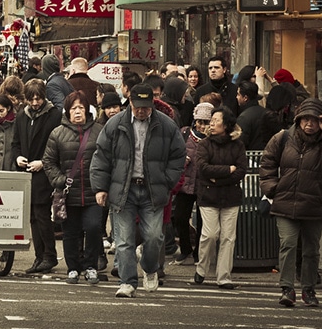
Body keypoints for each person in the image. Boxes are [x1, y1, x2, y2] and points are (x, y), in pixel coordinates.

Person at [90, 84, 186, 298]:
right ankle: (127, 281)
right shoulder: (115, 124)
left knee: (154, 236)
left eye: (146, 106)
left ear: (152, 104)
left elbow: (179, 155)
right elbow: (101, 156)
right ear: (130, 103)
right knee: (123, 240)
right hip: (123, 188)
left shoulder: (166, 125)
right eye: (138, 106)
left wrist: (168, 181)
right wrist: (100, 188)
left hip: (153, 189)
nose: (142, 111)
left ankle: (150, 268)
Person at [260, 98, 322, 307]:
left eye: (314, 120)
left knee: (311, 249)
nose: (309, 124)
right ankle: (287, 288)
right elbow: (267, 162)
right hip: (285, 202)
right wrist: (272, 187)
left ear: (321, 121)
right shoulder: (282, 138)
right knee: (288, 244)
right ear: (298, 120)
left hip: (314, 204)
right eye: (305, 119)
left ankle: (308, 289)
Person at [43, 90, 103, 284]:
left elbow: (107, 158)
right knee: (70, 232)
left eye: (81, 108)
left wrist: (103, 182)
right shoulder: (57, 133)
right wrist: (60, 180)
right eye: (74, 108)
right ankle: (73, 268)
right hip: (69, 193)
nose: (78, 111)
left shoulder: (99, 131)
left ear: (87, 110)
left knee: (94, 228)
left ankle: (91, 266)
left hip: (94, 192)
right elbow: (49, 161)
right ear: (67, 111)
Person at [12, 78, 63, 274]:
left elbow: (59, 145)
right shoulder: (22, 116)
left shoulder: (54, 116)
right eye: (31, 99)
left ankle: (48, 255)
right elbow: (15, 142)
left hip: (45, 172)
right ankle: (39, 256)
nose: (34, 103)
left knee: (42, 215)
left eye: (38, 99)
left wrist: (43, 162)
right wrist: (18, 158)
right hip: (26, 171)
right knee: (33, 216)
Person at [193, 106, 247, 289]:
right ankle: (201, 268)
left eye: (217, 120)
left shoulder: (238, 145)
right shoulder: (204, 144)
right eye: (212, 120)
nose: (212, 123)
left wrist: (218, 178)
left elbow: (241, 170)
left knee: (228, 238)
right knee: (210, 234)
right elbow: (202, 168)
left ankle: (224, 276)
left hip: (231, 197)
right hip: (208, 195)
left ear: (227, 124)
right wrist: (227, 170)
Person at [171, 102, 214, 266]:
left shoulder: (213, 139)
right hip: (185, 183)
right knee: (180, 217)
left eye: (206, 122)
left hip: (205, 185)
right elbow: (175, 154)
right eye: (199, 121)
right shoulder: (184, 134)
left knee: (203, 221)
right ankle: (185, 249)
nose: (202, 126)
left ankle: (198, 253)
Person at [236, 80, 267, 150]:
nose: (236, 97)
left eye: (238, 94)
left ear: (245, 98)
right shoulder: (267, 112)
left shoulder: (243, 118)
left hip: (250, 157)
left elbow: (241, 143)